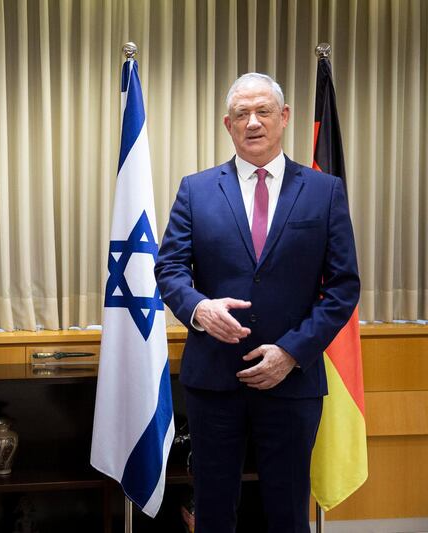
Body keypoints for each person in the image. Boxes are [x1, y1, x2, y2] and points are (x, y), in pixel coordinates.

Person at [155, 73, 359, 532]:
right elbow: (169, 269)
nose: (253, 122)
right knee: (212, 510)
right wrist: (198, 309)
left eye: (263, 111)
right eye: (242, 114)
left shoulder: (325, 192)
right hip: (214, 381)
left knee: (287, 513)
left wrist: (291, 351)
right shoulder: (196, 189)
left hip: (293, 381)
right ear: (228, 125)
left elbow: (344, 286)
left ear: (283, 118)